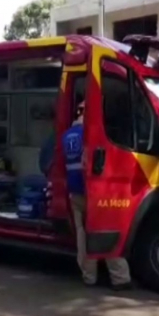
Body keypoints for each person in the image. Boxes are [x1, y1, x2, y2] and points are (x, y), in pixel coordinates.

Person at [62, 101, 133, 291]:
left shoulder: (66, 135)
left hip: (74, 192)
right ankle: (120, 278)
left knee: (82, 235)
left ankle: (89, 276)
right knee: (107, 230)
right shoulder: (90, 134)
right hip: (93, 191)